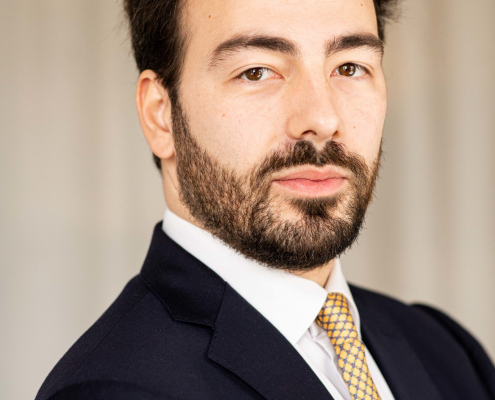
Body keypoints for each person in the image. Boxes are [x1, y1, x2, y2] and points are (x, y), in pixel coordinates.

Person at [36, 0, 495, 399]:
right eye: (256, 71)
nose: (322, 119)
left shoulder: (446, 352)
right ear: (161, 115)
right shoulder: (115, 388)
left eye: (350, 67)